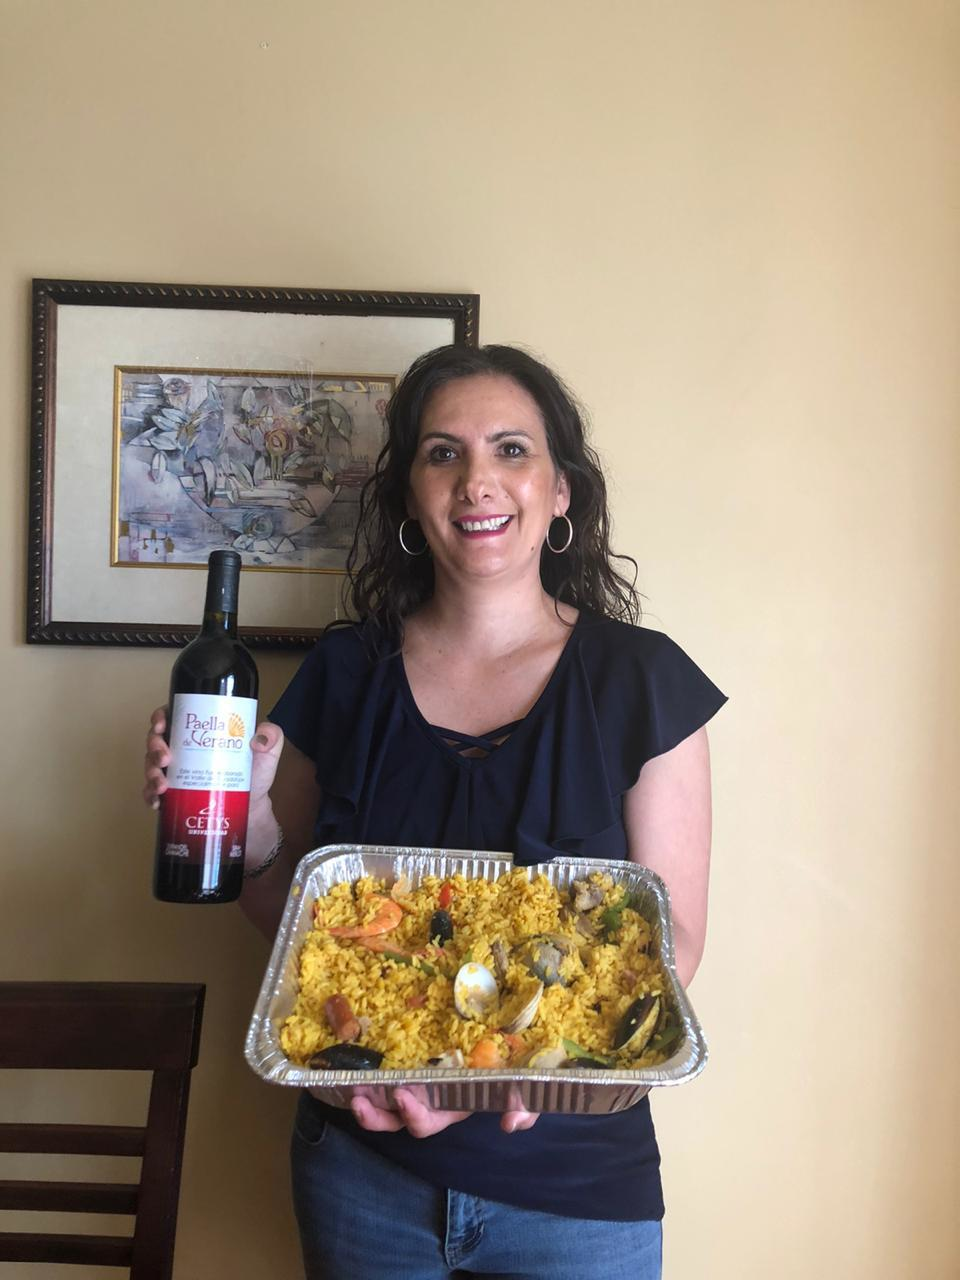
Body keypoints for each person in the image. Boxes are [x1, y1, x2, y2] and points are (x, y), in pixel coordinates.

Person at [143, 344, 726, 1280]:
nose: (476, 481)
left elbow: (673, 944)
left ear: (561, 491)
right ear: (411, 497)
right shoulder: (346, 673)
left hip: (577, 1189)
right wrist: (238, 821)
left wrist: (497, 1067)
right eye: (443, 453)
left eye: (511, 450)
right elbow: (295, 926)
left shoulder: (643, 681)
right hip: (362, 1175)